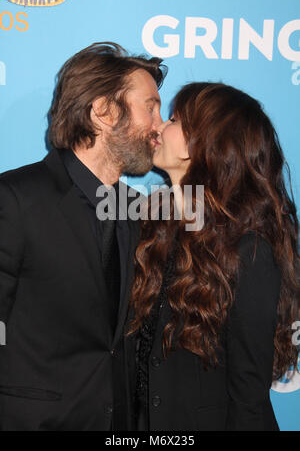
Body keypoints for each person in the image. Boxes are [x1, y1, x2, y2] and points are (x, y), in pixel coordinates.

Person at [0, 42, 166, 430]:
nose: (160, 124)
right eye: (151, 107)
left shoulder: (135, 210)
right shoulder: (15, 199)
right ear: (104, 113)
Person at [127, 82, 300, 431]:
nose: (159, 126)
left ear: (205, 144)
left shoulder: (247, 249)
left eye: (174, 120)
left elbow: (248, 394)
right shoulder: (153, 226)